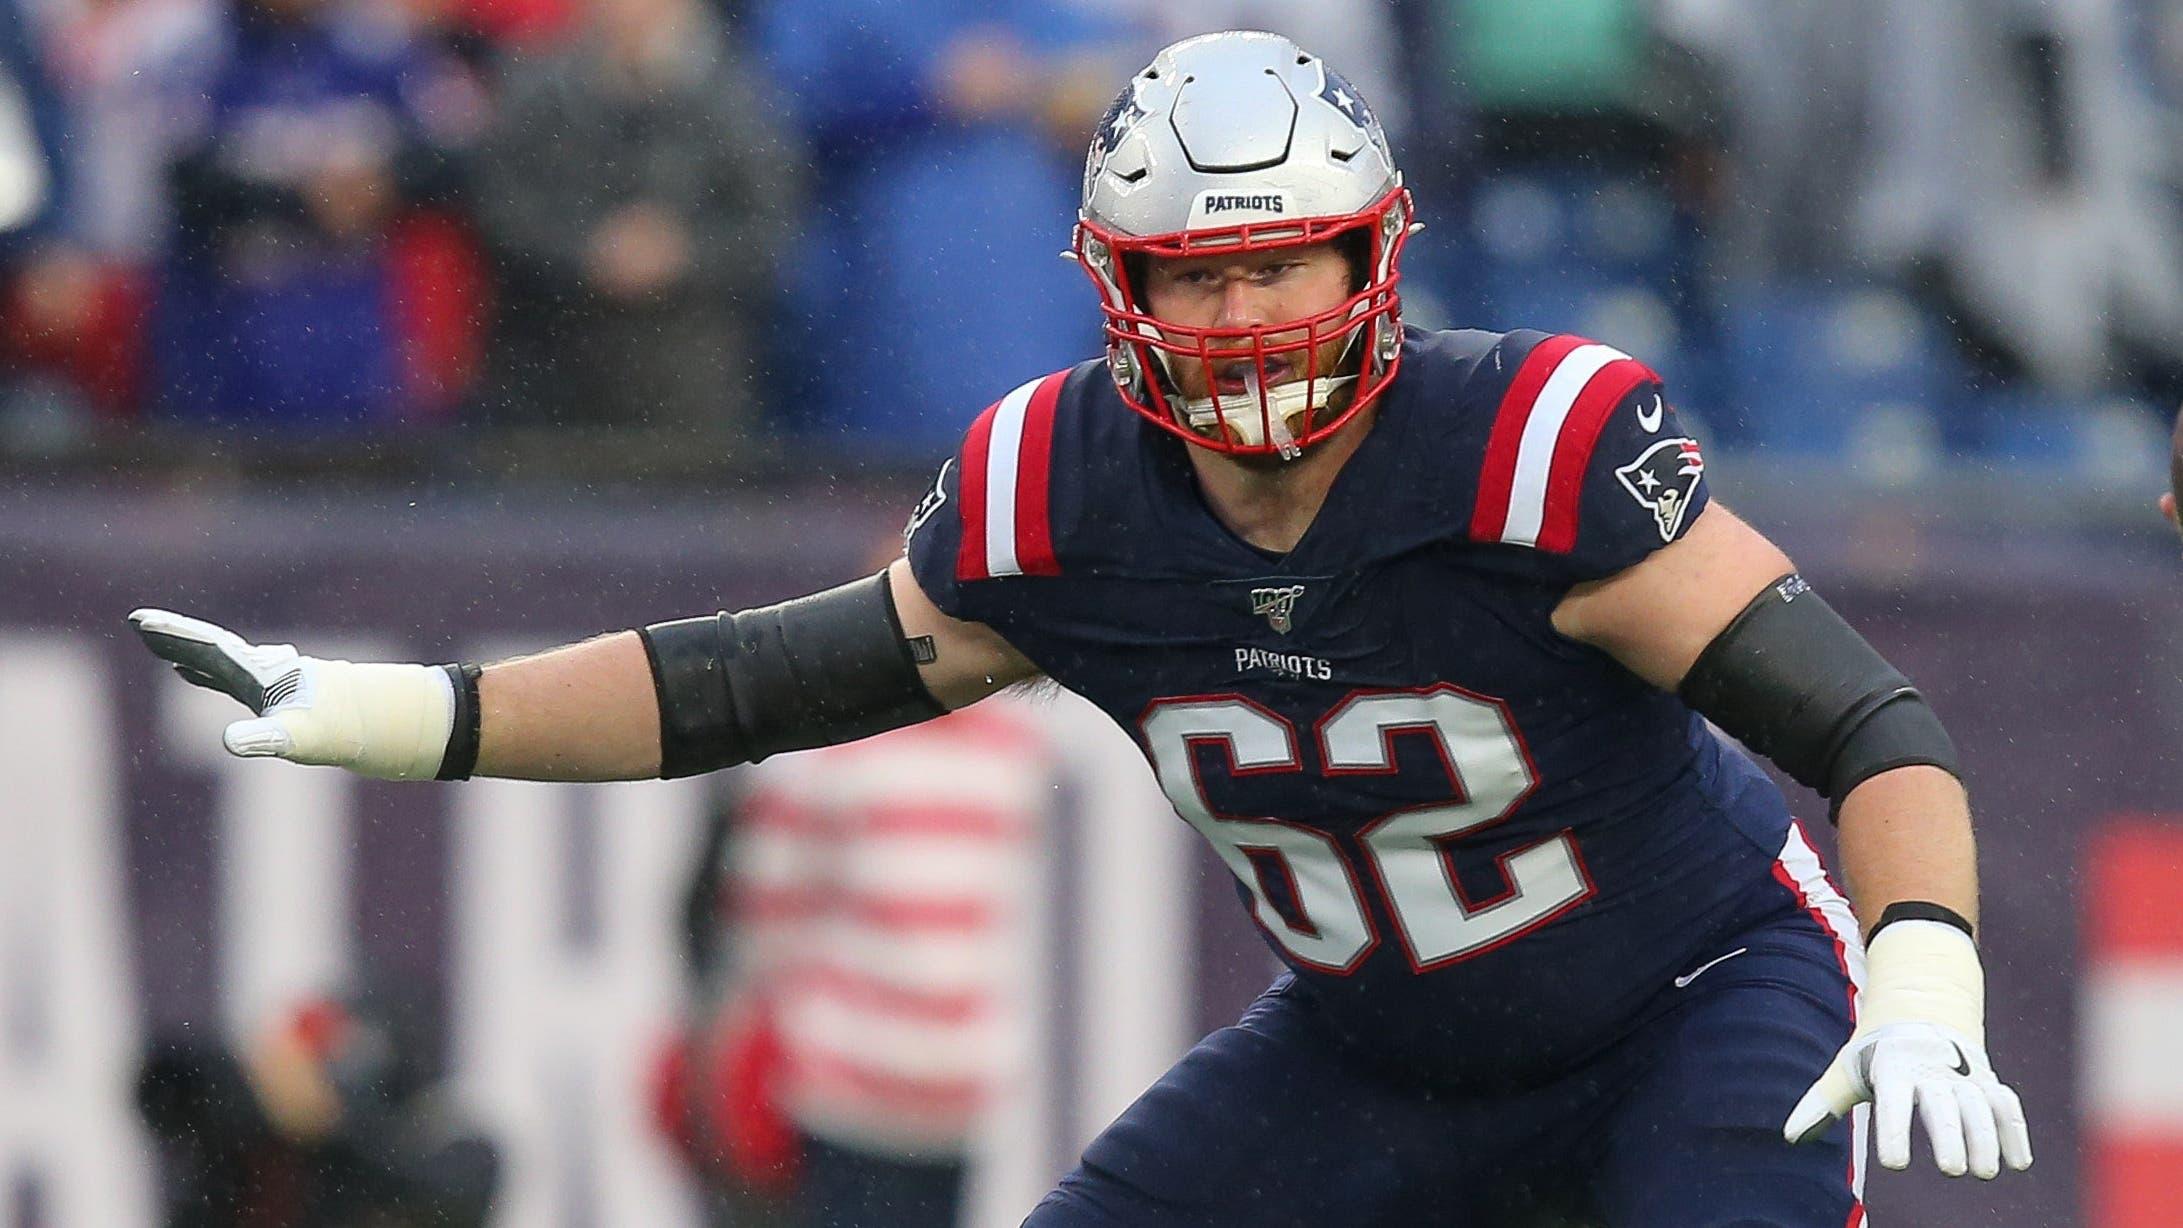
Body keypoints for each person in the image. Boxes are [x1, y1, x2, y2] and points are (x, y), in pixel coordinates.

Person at [128, 31, 2031, 1226]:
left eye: (1287, 259)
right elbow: (748, 683)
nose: (1251, 317)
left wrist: (1928, 967)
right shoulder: (1063, 497)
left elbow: (1874, 729)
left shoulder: (1531, 446)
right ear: (1121, 292)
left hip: (1692, 1004)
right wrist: (400, 714)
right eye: (1201, 279)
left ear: (1378, 254)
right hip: (1378, 1045)